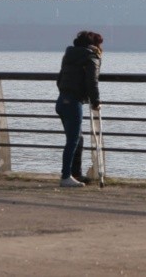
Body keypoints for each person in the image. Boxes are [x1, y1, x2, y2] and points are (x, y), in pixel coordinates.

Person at [55, 30, 103, 188]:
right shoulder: (92, 57)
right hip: (74, 102)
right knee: (73, 140)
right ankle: (65, 176)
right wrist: (95, 102)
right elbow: (92, 82)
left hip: (62, 101)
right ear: (94, 45)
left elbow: (59, 79)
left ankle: (75, 174)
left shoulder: (68, 56)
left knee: (77, 138)